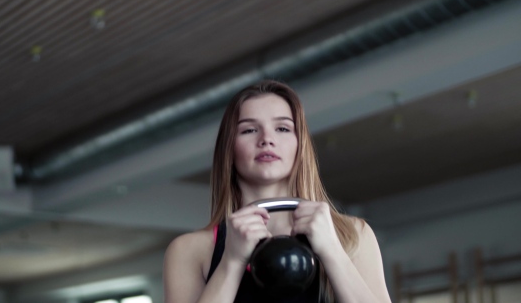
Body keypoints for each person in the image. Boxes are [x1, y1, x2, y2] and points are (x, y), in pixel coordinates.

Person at [164, 80, 392, 303]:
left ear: (299, 144)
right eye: (249, 130)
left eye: (282, 128)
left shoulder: (352, 234)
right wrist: (231, 261)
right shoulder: (189, 250)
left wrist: (332, 252)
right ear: (229, 149)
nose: (267, 140)